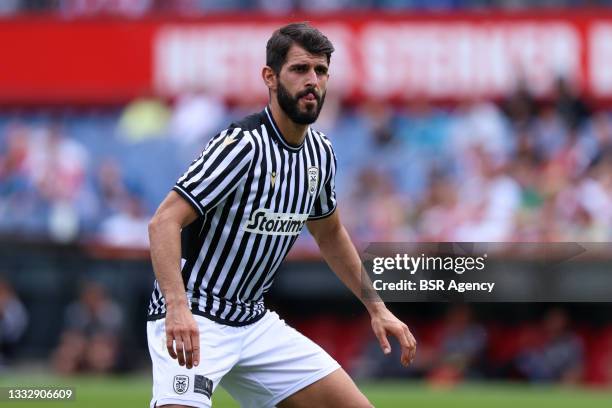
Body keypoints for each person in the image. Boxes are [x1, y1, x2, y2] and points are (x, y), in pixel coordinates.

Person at [146, 22, 417, 408]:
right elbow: (163, 222)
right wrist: (177, 308)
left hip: (253, 321)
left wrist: (377, 308)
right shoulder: (241, 145)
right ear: (270, 78)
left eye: (321, 71)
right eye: (300, 69)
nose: (312, 81)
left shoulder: (320, 153)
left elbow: (331, 234)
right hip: (196, 315)